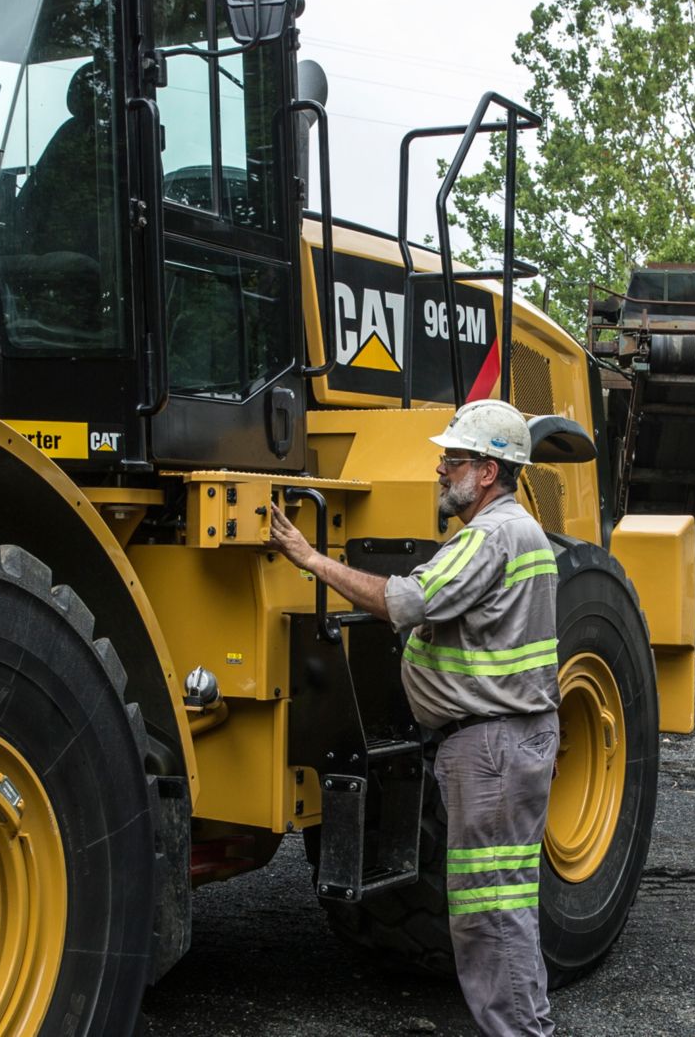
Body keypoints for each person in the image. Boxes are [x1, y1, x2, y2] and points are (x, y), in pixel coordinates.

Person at [266, 399, 560, 1037]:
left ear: (488, 471)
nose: (439, 469)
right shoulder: (519, 531)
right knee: (506, 903)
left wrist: (311, 559)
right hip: (505, 743)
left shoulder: (491, 535)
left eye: (452, 460)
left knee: (488, 914)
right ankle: (527, 1026)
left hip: (489, 749)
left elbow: (407, 600)